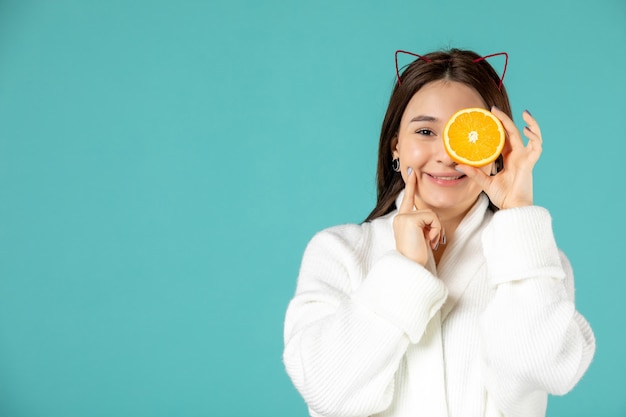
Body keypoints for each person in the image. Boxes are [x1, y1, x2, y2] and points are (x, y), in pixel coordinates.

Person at [282, 48, 595, 417]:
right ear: (396, 145)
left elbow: (546, 369)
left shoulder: (531, 260)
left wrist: (519, 217)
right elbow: (326, 392)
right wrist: (404, 270)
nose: (447, 156)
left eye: (467, 133)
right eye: (426, 131)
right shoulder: (339, 251)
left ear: (497, 148)